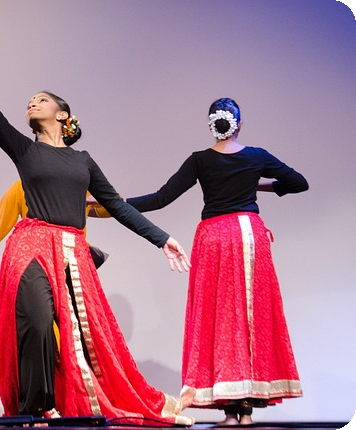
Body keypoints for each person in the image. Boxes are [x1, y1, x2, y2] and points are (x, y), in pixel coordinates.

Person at [0, 26, 195, 426]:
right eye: (30, 101)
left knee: (87, 337)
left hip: (72, 253)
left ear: (62, 114)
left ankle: (94, 402)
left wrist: (162, 238)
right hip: (30, 246)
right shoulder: (25, 150)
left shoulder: (83, 161)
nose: (32, 102)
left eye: (42, 99)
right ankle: (35, 408)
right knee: (36, 323)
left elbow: (117, 206)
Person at [111, 98, 307, 425]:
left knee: (219, 319)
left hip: (215, 238)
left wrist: (115, 203)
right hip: (248, 236)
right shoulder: (256, 156)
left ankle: (230, 413)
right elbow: (299, 183)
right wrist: (259, 184)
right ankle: (245, 414)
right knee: (248, 319)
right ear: (239, 125)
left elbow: (161, 198)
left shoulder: (200, 161)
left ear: (211, 125)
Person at [0, 179, 110, 269]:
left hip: (73, 264)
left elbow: (114, 207)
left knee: (75, 319)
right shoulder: (22, 186)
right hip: (39, 264)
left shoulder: (78, 187)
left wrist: (93, 200)